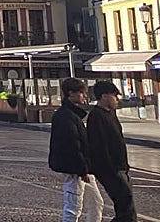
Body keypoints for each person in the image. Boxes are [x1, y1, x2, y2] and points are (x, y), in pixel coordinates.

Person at [48, 77, 102, 222]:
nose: (85, 96)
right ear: (71, 94)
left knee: (96, 203)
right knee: (73, 207)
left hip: (82, 167)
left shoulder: (72, 115)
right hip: (75, 169)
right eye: (82, 93)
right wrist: (82, 169)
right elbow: (71, 144)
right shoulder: (65, 116)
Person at [86, 81, 135, 222]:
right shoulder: (96, 116)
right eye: (114, 96)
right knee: (125, 207)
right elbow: (99, 146)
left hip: (121, 167)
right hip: (111, 170)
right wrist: (112, 169)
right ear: (104, 96)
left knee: (126, 207)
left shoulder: (110, 114)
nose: (117, 99)